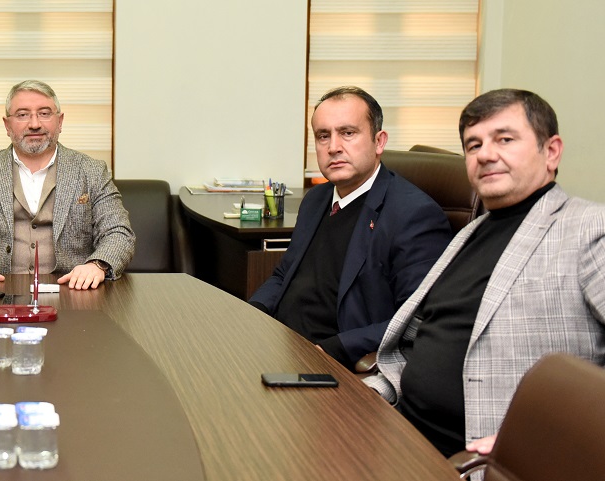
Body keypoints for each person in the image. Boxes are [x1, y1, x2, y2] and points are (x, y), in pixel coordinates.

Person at [364, 89, 605, 460]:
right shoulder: (469, 233)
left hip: (480, 459)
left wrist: (542, 435)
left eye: (504, 139)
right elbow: (418, 342)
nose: (485, 154)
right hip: (398, 428)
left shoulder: (589, 228)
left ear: (551, 151)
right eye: (473, 145)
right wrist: (369, 394)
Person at [248, 86, 453, 369]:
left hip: (334, 362)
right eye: (323, 136)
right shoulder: (316, 199)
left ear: (379, 141)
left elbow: (415, 320)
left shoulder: (413, 214)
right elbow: (285, 274)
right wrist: (252, 314)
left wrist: (332, 349)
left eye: (347, 133)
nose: (333, 147)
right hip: (280, 345)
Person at [0, 80, 134, 290]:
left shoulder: (92, 171)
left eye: (44, 113)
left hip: (74, 292)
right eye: (22, 115)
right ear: (7, 125)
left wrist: (97, 266)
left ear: (60, 121)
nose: (34, 124)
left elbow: (119, 232)